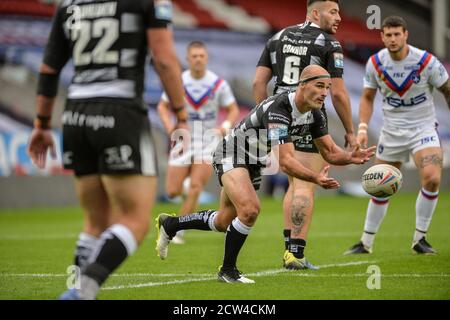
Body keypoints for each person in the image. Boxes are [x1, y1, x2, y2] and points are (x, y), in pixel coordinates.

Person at [27, 0, 187, 300]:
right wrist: (181, 114)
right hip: (120, 112)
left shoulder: (68, 4)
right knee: (135, 220)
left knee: (94, 223)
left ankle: (75, 287)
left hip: (75, 115)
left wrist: (42, 123)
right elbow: (164, 59)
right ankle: (82, 291)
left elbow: (49, 68)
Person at [155, 65, 375, 283]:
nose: (325, 93)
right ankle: (228, 270)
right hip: (232, 152)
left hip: (254, 160)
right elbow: (287, 162)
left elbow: (329, 152)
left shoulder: (315, 113)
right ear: (302, 85)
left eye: (327, 87)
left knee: (224, 221)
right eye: (319, 86)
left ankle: (172, 225)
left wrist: (350, 156)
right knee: (250, 210)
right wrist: (316, 178)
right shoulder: (279, 109)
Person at [252, 0, 356, 269]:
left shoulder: (278, 36)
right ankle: (296, 254)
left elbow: (258, 82)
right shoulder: (328, 43)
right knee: (306, 186)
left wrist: (264, 118)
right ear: (314, 12)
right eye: (333, 11)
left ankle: (289, 250)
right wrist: (351, 132)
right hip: (308, 117)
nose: (339, 17)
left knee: (294, 183)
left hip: (279, 115)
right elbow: (339, 93)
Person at [344, 16, 450, 255]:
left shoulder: (426, 62)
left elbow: (447, 90)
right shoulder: (375, 63)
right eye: (388, 35)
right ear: (382, 37)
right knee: (380, 187)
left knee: (432, 178)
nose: (392, 39)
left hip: (423, 129)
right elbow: (367, 97)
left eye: (397, 34)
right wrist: (362, 128)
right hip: (391, 132)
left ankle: (419, 239)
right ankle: (366, 242)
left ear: (405, 35)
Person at [157, 41, 239, 244]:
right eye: (194, 56)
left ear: (206, 58)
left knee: (195, 187)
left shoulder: (218, 84)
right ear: (187, 59)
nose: (198, 59)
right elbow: (162, 106)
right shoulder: (178, 82)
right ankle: (184, 191)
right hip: (183, 140)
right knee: (172, 191)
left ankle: (178, 228)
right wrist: (169, 127)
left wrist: (225, 125)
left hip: (207, 140)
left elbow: (233, 109)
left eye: (201, 56)